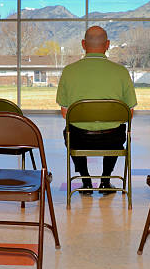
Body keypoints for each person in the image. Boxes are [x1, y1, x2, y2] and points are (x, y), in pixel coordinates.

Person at [56, 26, 137, 195]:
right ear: (107, 44)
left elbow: (65, 114)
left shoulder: (69, 71)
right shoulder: (121, 72)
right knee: (118, 130)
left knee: (69, 131)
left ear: (83, 44)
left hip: (79, 139)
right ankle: (105, 181)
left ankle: (86, 182)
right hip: (112, 139)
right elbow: (128, 114)